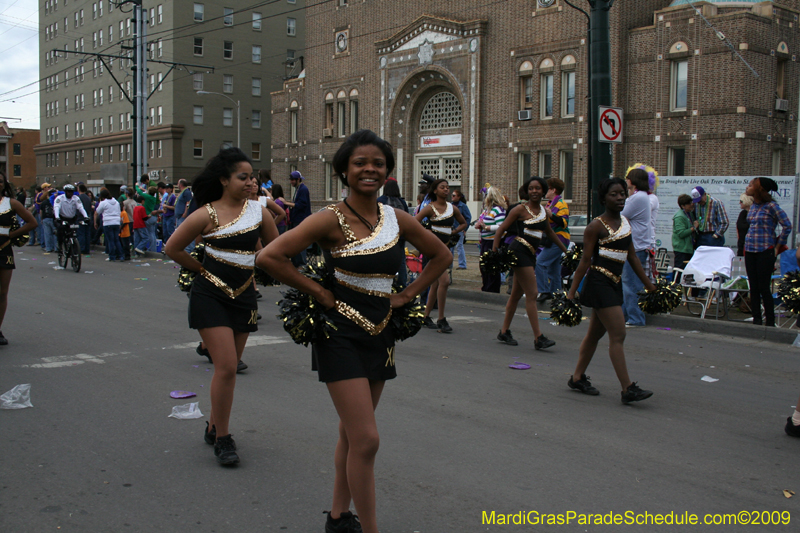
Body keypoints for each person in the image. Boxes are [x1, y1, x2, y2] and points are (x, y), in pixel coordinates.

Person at [257, 129, 450, 533]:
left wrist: (408, 295)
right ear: (344, 170)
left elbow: (441, 255)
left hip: (381, 331)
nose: (369, 169)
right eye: (360, 163)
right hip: (338, 332)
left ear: (387, 172)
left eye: (378, 163)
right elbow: (270, 256)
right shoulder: (329, 218)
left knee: (351, 433)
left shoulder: (397, 219)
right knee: (367, 439)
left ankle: (338, 516)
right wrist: (318, 292)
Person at [166, 147, 278, 466]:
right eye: (242, 177)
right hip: (209, 295)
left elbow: (277, 249)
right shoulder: (205, 214)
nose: (250, 182)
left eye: (252, 177)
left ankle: (214, 426)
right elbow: (173, 248)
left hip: (243, 295)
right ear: (224, 180)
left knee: (227, 370)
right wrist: (201, 269)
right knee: (227, 366)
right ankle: (224, 439)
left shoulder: (260, 213)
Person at [566, 177, 657, 404]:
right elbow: (585, 261)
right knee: (618, 334)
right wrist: (571, 293)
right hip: (599, 283)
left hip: (614, 283)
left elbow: (633, 257)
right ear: (603, 199)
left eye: (622, 194)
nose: (619, 198)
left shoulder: (625, 223)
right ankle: (627, 389)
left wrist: (650, 286)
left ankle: (577, 377)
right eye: (613, 194)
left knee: (594, 334)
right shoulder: (595, 226)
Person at [491, 177, 566, 348]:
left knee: (517, 294)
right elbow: (501, 229)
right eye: (531, 188)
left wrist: (566, 251)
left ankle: (504, 332)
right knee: (532, 294)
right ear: (527, 191)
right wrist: (494, 253)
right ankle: (539, 338)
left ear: (543, 191)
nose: (534, 191)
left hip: (530, 254)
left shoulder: (542, 211)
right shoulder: (519, 209)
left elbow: (550, 233)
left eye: (538, 188)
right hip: (519, 251)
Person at [415, 178, 467, 333]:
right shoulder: (430, 208)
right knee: (444, 281)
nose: (446, 190)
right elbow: (414, 222)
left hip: (445, 248)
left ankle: (425, 316)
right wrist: (426, 233)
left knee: (436, 283)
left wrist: (454, 232)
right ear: (435, 190)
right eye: (442, 187)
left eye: (447, 187)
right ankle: (441, 319)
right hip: (433, 249)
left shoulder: (453, 208)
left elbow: (464, 223)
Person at [743, 177, 791, 327]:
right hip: (750, 250)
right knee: (753, 287)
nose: (748, 187)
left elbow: (787, 226)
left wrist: (778, 246)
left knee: (764, 287)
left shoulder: (771, 207)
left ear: (759, 189)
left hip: (765, 250)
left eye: (751, 185)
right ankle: (756, 319)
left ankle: (769, 322)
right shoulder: (753, 206)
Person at [0, 171, 38, 344]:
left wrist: (12, 234)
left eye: (0, 181)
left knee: (2, 293)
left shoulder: (12, 203)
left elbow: (32, 222)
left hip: (4, 251)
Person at [620, 168, 651, 327]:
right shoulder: (643, 196)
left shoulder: (637, 198)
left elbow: (621, 215)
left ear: (633, 180)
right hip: (638, 244)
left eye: (628, 178)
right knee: (630, 282)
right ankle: (625, 315)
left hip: (635, 245)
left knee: (631, 283)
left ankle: (636, 317)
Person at [535, 177, 570, 302]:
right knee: (554, 269)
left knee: (540, 262)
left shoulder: (561, 204)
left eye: (547, 189)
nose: (545, 191)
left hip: (559, 239)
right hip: (552, 239)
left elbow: (564, 222)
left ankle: (545, 290)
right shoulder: (550, 204)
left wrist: (551, 215)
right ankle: (557, 293)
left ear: (553, 190)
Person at [474, 186, 507, 293]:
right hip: (485, 241)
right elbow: (482, 221)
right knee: (484, 266)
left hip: (493, 241)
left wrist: (486, 227)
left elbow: (501, 227)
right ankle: (486, 286)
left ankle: (492, 289)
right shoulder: (487, 210)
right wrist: (479, 224)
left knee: (492, 266)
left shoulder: (498, 210)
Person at [377, 178, 409, 286]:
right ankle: (402, 284)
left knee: (383, 260)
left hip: (385, 236)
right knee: (401, 261)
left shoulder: (380, 201)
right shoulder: (402, 202)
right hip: (400, 236)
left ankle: (386, 283)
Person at [284, 170, 311, 265]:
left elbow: (302, 204)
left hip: (300, 220)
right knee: (295, 242)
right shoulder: (298, 189)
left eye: (292, 180)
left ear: (298, 179)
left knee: (299, 242)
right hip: (296, 220)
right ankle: (296, 263)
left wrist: (287, 203)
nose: (291, 182)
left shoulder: (303, 189)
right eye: (290, 180)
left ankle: (301, 265)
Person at [54, 184, 89, 253]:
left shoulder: (76, 198)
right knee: (61, 230)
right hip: (62, 218)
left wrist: (86, 216)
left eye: (71, 192)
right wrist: (57, 217)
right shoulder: (60, 198)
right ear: (65, 192)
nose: (70, 193)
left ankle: (73, 245)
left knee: (74, 231)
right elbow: (56, 208)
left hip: (72, 218)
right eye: (68, 192)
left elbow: (80, 208)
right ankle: (60, 244)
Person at [95, 189, 124, 262]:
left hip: (108, 222)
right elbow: (119, 212)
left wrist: (95, 222)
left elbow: (97, 212)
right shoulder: (116, 202)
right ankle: (121, 256)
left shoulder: (103, 203)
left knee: (110, 240)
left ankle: (112, 256)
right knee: (117, 240)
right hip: (116, 222)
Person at [672, 194, 697, 270]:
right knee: (680, 270)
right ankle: (676, 282)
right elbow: (681, 233)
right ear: (683, 206)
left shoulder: (689, 214)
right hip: (682, 249)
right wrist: (694, 228)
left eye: (691, 202)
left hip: (688, 248)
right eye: (689, 204)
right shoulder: (680, 216)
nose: (691, 205)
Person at [451, 189, 472, 270]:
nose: (452, 197)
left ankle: (462, 264)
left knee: (459, 246)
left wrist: (464, 229)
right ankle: (449, 264)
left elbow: (468, 217)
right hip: (451, 229)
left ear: (459, 197)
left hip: (459, 229)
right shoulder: (450, 205)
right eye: (452, 195)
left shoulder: (462, 206)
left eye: (454, 195)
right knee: (450, 248)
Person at [38, 183, 57, 253]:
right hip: (54, 218)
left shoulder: (44, 202)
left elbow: (41, 211)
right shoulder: (56, 201)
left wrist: (42, 219)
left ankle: (49, 248)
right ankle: (56, 248)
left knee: (47, 234)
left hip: (46, 218)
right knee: (55, 234)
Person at [736, 193, 753, 257]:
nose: (739, 203)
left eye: (741, 201)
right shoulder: (742, 213)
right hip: (741, 245)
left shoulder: (754, 214)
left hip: (750, 245)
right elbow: (738, 227)